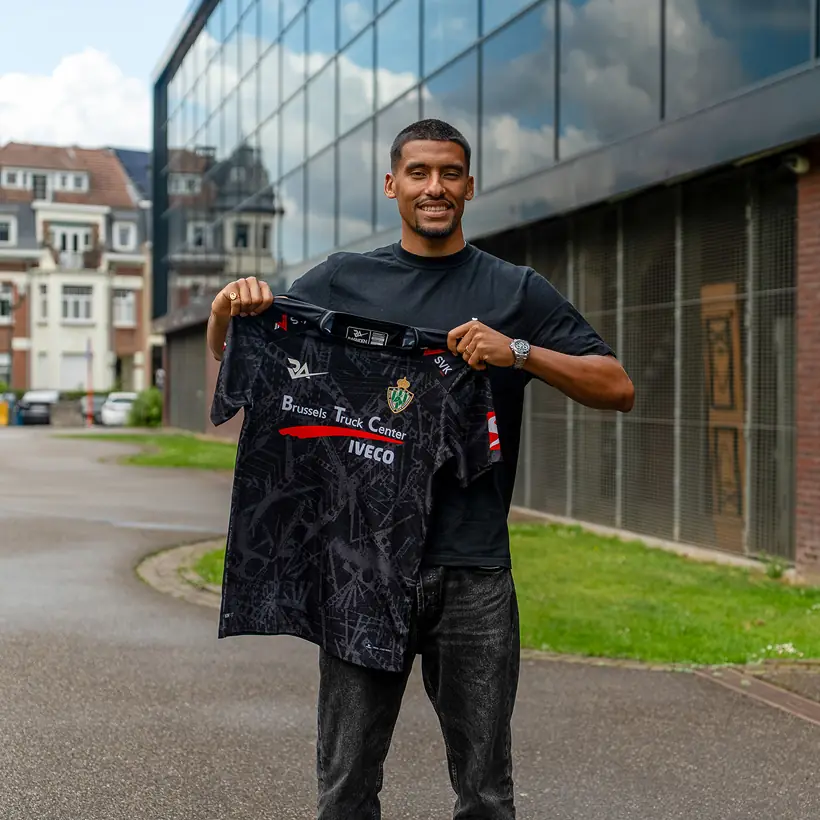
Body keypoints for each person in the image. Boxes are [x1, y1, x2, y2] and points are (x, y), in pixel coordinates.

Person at [207, 118, 635, 819]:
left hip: (473, 571)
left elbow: (617, 387)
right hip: (361, 566)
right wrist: (228, 310)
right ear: (392, 184)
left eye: (449, 173)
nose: (435, 187)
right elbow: (239, 355)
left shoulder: (514, 290)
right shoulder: (343, 279)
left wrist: (517, 351)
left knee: (486, 793)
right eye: (419, 173)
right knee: (346, 787)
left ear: (470, 186)